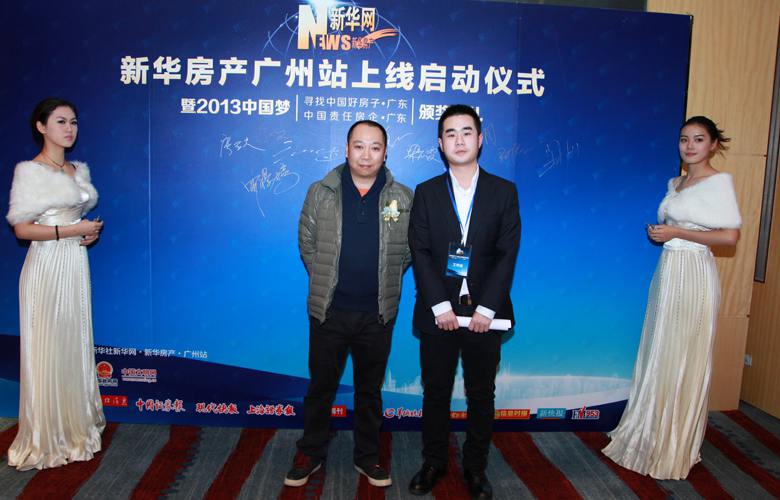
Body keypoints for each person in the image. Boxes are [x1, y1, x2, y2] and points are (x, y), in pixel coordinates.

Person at [602, 116, 742, 480]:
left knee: (683, 354)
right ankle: (648, 433)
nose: (690, 146)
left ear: (713, 144)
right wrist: (665, 234)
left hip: (694, 274)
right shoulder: (675, 183)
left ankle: (673, 444)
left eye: (698, 139)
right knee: (661, 349)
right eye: (684, 139)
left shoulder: (719, 182)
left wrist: (678, 232)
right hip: (668, 271)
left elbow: (729, 237)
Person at [285, 120, 413, 488]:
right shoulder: (321, 192)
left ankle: (367, 456)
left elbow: (407, 252)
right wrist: (327, 280)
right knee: (320, 388)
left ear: (385, 153)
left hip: (377, 314)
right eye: (359, 146)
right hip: (330, 312)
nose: (366, 155)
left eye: (375, 147)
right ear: (346, 149)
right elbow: (307, 242)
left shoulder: (403, 197)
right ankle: (311, 452)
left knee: (369, 391)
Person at [407, 104, 521, 499]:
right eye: (450, 134)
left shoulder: (504, 192)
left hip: (486, 315)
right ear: (440, 144)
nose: (459, 140)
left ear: (480, 139)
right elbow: (420, 250)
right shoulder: (426, 192)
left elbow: (507, 253)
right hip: (438, 313)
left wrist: (487, 309)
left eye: (466, 132)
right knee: (435, 392)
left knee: (481, 394)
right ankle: (433, 462)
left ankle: (475, 468)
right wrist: (439, 306)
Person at [5, 97, 105, 470]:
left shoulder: (77, 170)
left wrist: (87, 234)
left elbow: (76, 221)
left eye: (73, 121)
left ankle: (75, 426)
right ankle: (46, 435)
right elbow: (22, 229)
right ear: (41, 126)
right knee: (46, 348)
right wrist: (70, 230)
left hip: (74, 265)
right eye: (60, 121)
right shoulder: (30, 171)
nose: (69, 128)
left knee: (72, 343)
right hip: (46, 267)